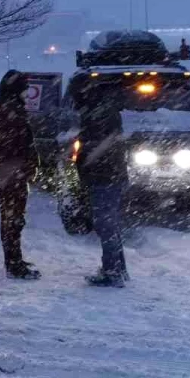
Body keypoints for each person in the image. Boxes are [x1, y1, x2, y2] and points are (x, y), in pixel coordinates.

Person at [0, 70, 41, 280]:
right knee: (13, 219)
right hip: (11, 173)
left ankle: (14, 259)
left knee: (13, 218)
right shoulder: (9, 110)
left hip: (8, 172)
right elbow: (19, 143)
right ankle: (13, 263)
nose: (27, 94)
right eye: (24, 89)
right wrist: (28, 163)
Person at [76, 84, 128, 288]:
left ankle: (112, 271)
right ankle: (118, 268)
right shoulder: (110, 114)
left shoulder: (96, 118)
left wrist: (82, 168)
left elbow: (90, 151)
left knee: (105, 224)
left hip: (103, 177)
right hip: (112, 176)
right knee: (111, 224)